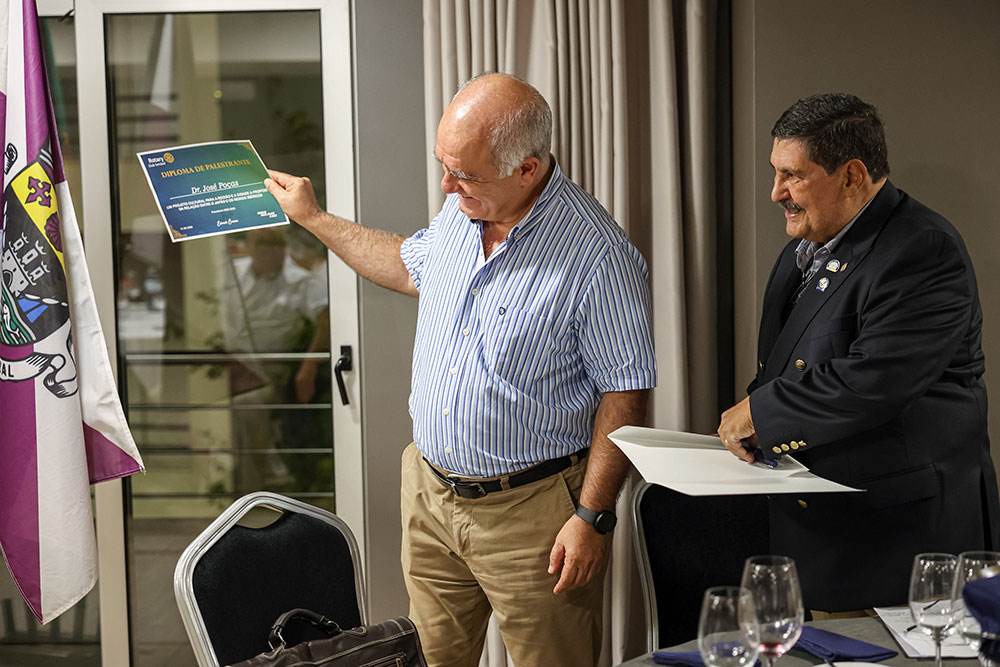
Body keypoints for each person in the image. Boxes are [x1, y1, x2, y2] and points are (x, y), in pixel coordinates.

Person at [264, 73, 656, 666]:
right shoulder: (464, 207)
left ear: (527, 169)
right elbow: (408, 265)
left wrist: (592, 518)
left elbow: (624, 393)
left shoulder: (598, 256)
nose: (447, 185)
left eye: (464, 174)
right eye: (444, 166)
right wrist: (314, 217)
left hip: (533, 515)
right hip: (430, 495)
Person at [717, 93, 1000, 613]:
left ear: (851, 176)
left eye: (792, 175)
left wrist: (760, 413)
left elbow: (874, 381)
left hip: (902, 548)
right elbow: (785, 367)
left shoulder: (923, 249)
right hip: (823, 537)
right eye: (776, 172)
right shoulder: (803, 247)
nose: (776, 192)